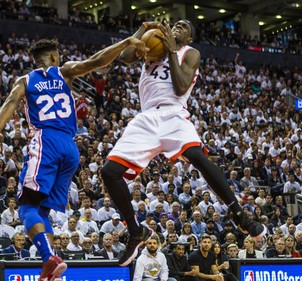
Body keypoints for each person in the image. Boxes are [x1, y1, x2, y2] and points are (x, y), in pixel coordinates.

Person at [101, 20, 266, 267]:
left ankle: (240, 215)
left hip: (174, 114)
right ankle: (136, 231)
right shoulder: (150, 44)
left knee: (197, 156)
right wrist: (142, 31)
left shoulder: (190, 53)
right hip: (147, 117)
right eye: (176, 23)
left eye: (184, 26)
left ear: (188, 38)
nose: (178, 26)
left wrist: (170, 50)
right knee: (108, 172)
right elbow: (125, 57)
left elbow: (179, 89)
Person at [0, 37, 148, 281]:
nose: (60, 58)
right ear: (53, 57)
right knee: (42, 210)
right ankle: (50, 265)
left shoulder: (26, 80)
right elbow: (97, 60)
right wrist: (125, 41)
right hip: (70, 148)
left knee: (26, 207)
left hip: (46, 141)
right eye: (58, 54)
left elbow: (11, 101)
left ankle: (48, 258)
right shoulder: (64, 72)